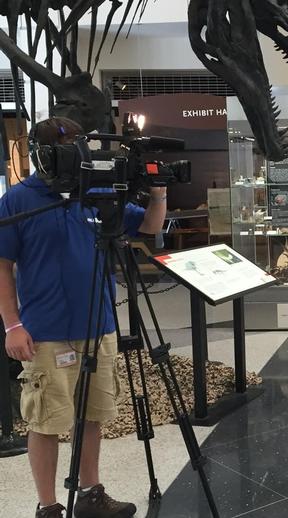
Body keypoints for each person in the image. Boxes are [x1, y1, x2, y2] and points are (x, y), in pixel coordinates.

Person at [0, 117, 168, 518]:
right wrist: (12, 324)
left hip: (98, 324)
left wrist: (158, 195)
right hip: (45, 331)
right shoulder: (18, 200)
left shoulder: (96, 192)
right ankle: (49, 506)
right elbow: (2, 265)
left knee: (93, 414)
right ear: (45, 155)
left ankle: (91, 495)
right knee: (46, 420)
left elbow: (146, 226)